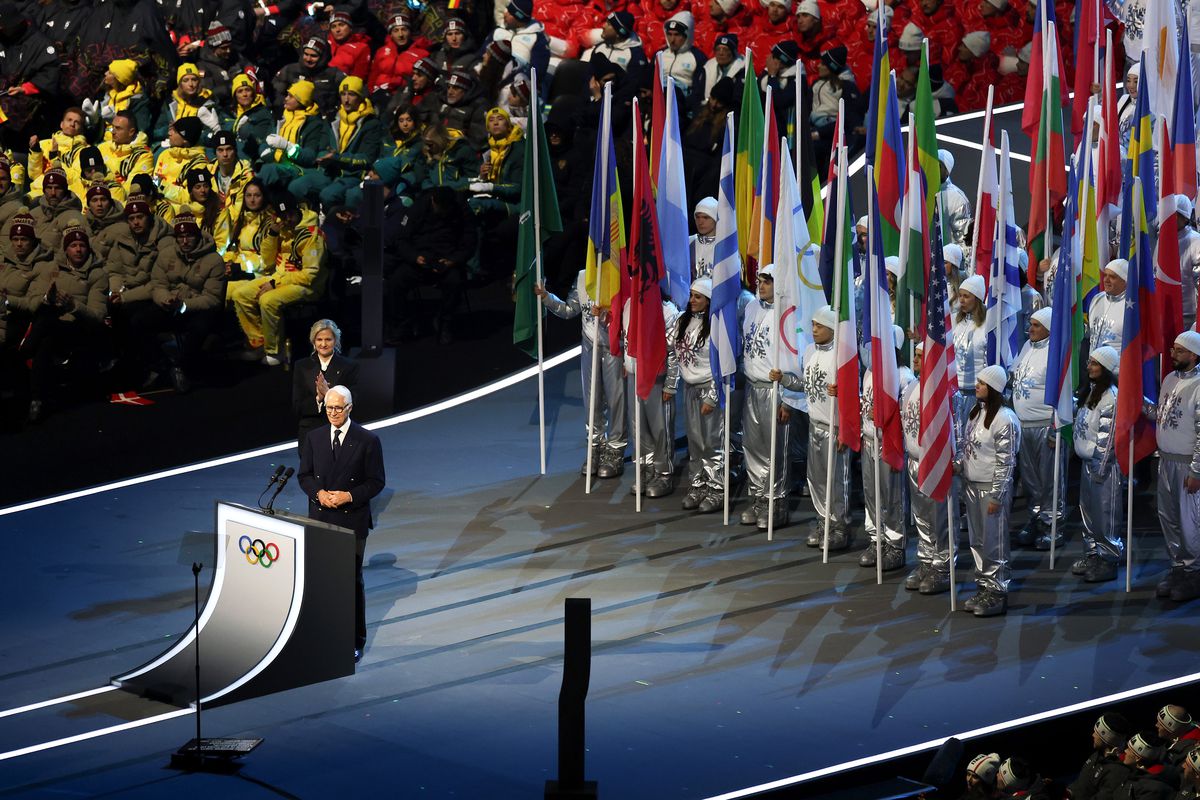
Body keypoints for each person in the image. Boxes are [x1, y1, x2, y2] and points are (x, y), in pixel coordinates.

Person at [298, 384, 386, 663]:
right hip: (322, 518)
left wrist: (348, 495)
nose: (333, 413)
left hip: (352, 520)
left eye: (338, 408)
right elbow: (305, 476)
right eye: (329, 407)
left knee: (349, 581)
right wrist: (319, 493)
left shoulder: (367, 440)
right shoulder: (314, 437)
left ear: (349, 408)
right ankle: (325, 635)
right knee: (323, 580)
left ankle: (353, 641)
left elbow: (376, 481)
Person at [538, 269, 628, 477]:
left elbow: (629, 314)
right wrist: (546, 297)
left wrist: (608, 316)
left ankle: (614, 449)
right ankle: (595, 446)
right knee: (592, 400)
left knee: (616, 400)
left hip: (614, 347)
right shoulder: (581, 276)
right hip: (590, 346)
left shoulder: (619, 273)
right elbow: (570, 310)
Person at [128, 211, 225, 393]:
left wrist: (184, 306)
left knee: (200, 327)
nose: (185, 241)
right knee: (138, 321)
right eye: (180, 237)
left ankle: (183, 366)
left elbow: (213, 298)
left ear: (196, 236)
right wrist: (166, 299)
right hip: (170, 304)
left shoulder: (213, 260)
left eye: (188, 236)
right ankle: (160, 364)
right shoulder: (167, 255)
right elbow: (158, 284)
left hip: (197, 308)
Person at [23, 225, 107, 421]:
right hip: (56, 325)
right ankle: (36, 399)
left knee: (45, 328)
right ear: (66, 250)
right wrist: (47, 298)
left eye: (81, 246)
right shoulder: (51, 268)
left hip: (82, 327)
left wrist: (73, 306)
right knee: (46, 341)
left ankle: (25, 351)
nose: (78, 250)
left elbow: (97, 316)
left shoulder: (98, 274)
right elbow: (33, 301)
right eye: (73, 246)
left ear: (88, 248)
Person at [739, 264, 801, 529]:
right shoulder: (752, 306)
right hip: (753, 386)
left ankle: (777, 503)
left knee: (775, 450)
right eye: (760, 280)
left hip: (774, 390)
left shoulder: (787, 314)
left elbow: (795, 360)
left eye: (768, 281)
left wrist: (788, 398)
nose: (762, 285)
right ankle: (758, 498)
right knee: (752, 447)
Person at [229, 198, 326, 366]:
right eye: (282, 216)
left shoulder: (311, 234)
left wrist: (275, 284)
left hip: (307, 286)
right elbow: (267, 263)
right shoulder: (283, 229)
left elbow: (311, 276)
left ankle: (275, 351)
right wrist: (272, 235)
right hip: (281, 277)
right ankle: (259, 343)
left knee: (267, 300)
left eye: (289, 215)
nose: (286, 219)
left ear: (297, 211)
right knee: (240, 295)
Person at [956, 364, 1020, 617]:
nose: (977, 386)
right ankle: (984, 585)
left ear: (993, 388)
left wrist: (997, 495)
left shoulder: (1005, 418)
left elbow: (1006, 462)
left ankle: (997, 591)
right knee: (978, 541)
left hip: (991, 491)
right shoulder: (975, 413)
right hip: (972, 486)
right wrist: (959, 466)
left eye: (982, 383)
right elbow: (966, 446)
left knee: (995, 543)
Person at [860, 325, 915, 572]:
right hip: (869, 440)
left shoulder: (904, 376)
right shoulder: (870, 372)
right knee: (871, 493)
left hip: (889, 444)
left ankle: (895, 543)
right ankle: (876, 537)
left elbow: (910, 414)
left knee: (892, 495)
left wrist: (884, 416)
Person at [1010, 307, 1066, 550]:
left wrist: (1056, 428)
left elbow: (1062, 394)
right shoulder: (1026, 348)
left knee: (1050, 480)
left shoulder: (1055, 353)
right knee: (1031, 480)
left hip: (1046, 427)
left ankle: (1053, 526)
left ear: (1049, 329)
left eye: (1036, 325)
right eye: (1030, 324)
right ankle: (1036, 518)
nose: (1030, 329)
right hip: (1024, 426)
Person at [901, 343, 954, 594]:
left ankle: (942, 565)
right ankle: (925, 559)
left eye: (921, 356)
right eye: (916, 355)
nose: (916, 359)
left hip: (934, 463)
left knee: (939, 517)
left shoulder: (941, 390)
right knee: (921, 516)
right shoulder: (911, 386)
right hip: (913, 460)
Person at [1153, 330, 1200, 603]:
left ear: (1194, 355)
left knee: (1189, 522)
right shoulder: (1169, 379)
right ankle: (1177, 567)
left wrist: (1196, 470)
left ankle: (1193, 572)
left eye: (1179, 351)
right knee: (1168, 517)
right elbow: (1163, 413)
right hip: (1166, 460)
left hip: (1187, 465)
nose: (1173, 354)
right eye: (1173, 349)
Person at [1071, 345, 1123, 583]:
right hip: (1087, 463)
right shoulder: (1091, 392)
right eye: (1089, 362)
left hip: (1103, 466)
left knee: (1104, 514)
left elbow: (1108, 436)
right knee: (1088, 512)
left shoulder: (1110, 396)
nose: (1088, 366)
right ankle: (1093, 553)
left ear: (1106, 369)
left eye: (1094, 363)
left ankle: (1109, 557)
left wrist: (1100, 468)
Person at [803, 305, 854, 549]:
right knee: (816, 478)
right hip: (815, 424)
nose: (814, 330)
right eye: (813, 325)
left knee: (836, 481)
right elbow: (805, 386)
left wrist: (845, 428)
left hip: (834, 428)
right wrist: (783, 379)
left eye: (819, 326)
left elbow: (853, 394)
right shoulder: (808, 353)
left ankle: (839, 526)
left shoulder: (841, 357)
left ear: (833, 328)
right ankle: (823, 520)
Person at [675, 278, 725, 513]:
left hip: (707, 390)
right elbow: (672, 351)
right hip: (689, 390)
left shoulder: (715, 325)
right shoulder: (682, 322)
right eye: (691, 295)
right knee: (695, 442)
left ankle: (716, 488)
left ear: (708, 300)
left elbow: (721, 365)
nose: (692, 300)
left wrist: (712, 397)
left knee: (711, 443)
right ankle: (698, 484)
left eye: (698, 297)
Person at [293, 319, 360, 447]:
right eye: (319, 340)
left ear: (335, 341)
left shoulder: (349, 366)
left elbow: (353, 401)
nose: (323, 344)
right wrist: (318, 398)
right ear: (313, 341)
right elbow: (297, 406)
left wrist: (329, 395)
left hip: (339, 431)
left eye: (328, 339)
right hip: (310, 433)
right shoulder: (302, 366)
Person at [1067, 712, 1133, 800]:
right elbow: (1081, 785)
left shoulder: (1117, 772)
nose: (1093, 735)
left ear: (1106, 739)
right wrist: (1067, 792)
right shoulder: (1097, 755)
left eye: (1096, 733)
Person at [953, 274, 988, 434]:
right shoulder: (955, 321)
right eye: (960, 295)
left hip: (975, 395)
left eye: (967, 296)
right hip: (954, 391)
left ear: (978, 298)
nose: (961, 300)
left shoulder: (987, 325)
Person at [1089, 259, 1127, 352]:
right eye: (1105, 275)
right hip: (1093, 364)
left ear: (1125, 281)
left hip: (1117, 365)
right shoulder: (1097, 299)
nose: (1106, 280)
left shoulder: (1131, 307)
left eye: (1112, 277)